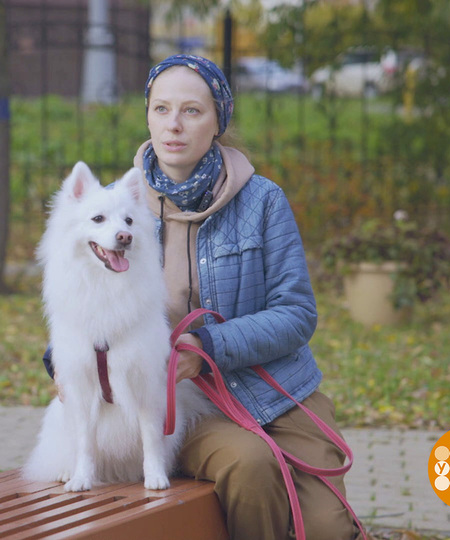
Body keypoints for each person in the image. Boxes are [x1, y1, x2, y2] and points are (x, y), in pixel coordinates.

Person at [133, 54, 360, 539]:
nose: (173, 125)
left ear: (218, 121)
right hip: (180, 401)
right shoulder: (118, 206)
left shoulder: (262, 200)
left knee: (327, 529)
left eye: (192, 111)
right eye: (161, 109)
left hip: (280, 388)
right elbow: (86, 301)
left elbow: (297, 313)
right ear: (147, 114)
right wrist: (61, 361)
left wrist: (209, 347)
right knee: (252, 467)